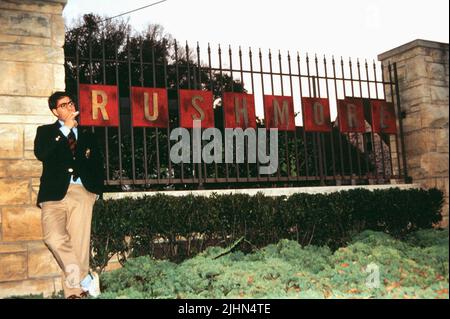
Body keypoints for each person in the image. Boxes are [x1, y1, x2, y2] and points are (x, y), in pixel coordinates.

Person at [34, 91, 104, 299]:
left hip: (82, 192)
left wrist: (96, 192)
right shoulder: (46, 132)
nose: (69, 107)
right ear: (55, 111)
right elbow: (42, 153)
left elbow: (98, 164)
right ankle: (85, 278)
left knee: (78, 244)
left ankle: (75, 292)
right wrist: (65, 130)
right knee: (53, 238)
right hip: (53, 194)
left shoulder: (88, 135)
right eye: (63, 105)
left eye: (71, 103)